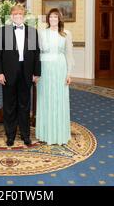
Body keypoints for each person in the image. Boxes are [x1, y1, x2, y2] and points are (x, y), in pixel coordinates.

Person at [0, 5, 41, 147]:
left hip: (26, 73)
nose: (18, 15)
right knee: (9, 105)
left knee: (25, 106)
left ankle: (26, 135)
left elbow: (36, 53)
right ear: (11, 16)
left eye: (20, 13)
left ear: (24, 15)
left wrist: (37, 72)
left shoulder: (32, 32)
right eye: (15, 13)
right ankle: (10, 135)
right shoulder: (3, 31)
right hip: (8, 73)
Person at [36, 8, 74, 145]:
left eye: (55, 17)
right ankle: (45, 134)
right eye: (51, 17)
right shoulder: (41, 33)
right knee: (45, 99)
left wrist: (69, 73)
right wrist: (36, 72)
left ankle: (59, 134)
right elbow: (37, 53)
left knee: (58, 99)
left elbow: (69, 54)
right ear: (48, 19)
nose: (53, 19)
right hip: (45, 69)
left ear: (59, 19)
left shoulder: (66, 34)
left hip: (60, 68)